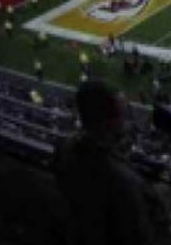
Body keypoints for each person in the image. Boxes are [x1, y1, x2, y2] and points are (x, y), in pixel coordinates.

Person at [53, 80, 162, 245]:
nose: (125, 121)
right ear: (106, 126)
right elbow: (142, 237)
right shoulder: (123, 183)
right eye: (122, 115)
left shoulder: (63, 149)